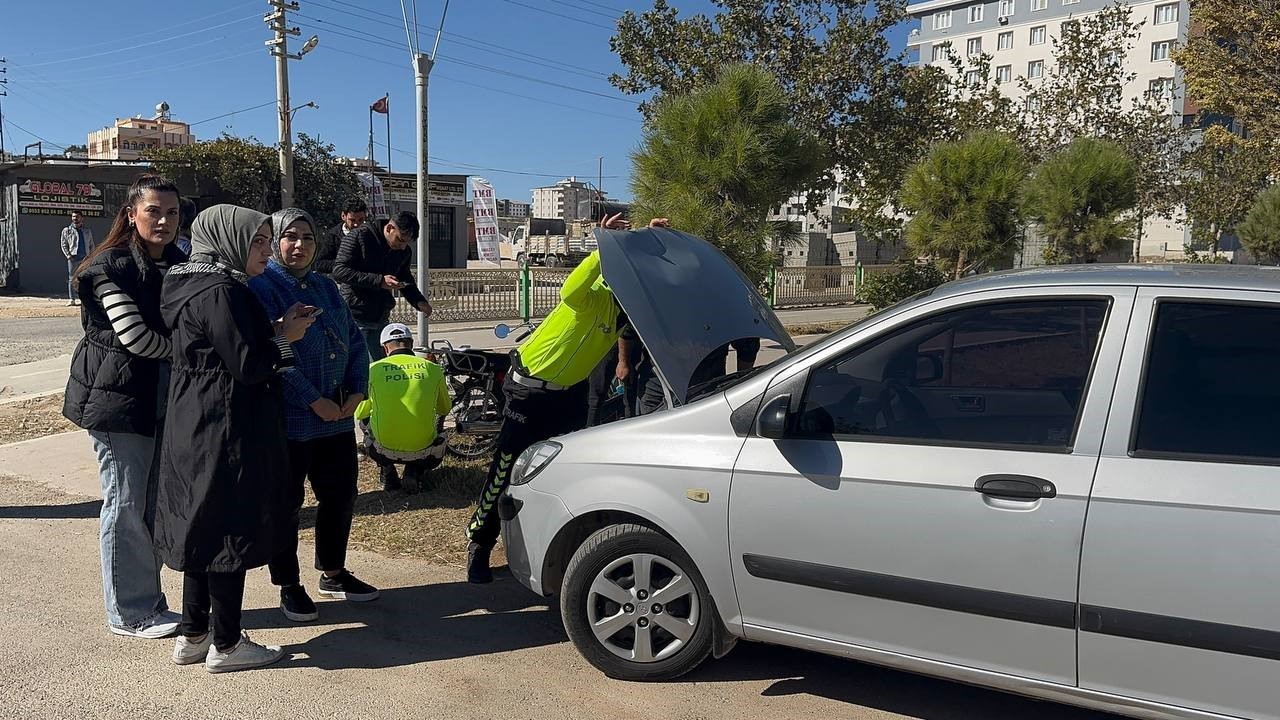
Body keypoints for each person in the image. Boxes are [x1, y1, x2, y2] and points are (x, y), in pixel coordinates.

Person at [154, 204, 316, 673]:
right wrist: (286, 336)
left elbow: (220, 346)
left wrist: (271, 331)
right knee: (227, 530)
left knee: (199, 525)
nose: (267, 251)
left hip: (193, 420)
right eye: (259, 241)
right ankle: (226, 644)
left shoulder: (189, 283)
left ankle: (194, 633)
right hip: (225, 425)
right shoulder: (224, 291)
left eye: (269, 241)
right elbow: (249, 365)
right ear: (229, 240)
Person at [465, 214, 665, 583]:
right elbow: (571, 288)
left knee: (565, 473)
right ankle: (479, 542)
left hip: (568, 397)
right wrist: (603, 245)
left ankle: (551, 545)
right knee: (505, 470)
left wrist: (651, 241)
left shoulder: (624, 315)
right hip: (528, 391)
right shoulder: (591, 299)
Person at [62, 174, 187, 640]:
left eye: (172, 212)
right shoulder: (105, 266)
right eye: (154, 210)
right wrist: (192, 351)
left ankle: (149, 603)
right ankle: (129, 612)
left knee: (152, 503)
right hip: (116, 399)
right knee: (126, 502)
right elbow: (134, 337)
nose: (164, 220)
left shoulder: (179, 261)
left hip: (160, 397)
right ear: (131, 213)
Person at [249, 207, 378, 623]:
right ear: (274, 242)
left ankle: (334, 572)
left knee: (339, 496)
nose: (299, 245)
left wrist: (359, 388)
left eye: (306, 237)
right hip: (292, 418)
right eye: (289, 236)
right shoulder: (261, 285)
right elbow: (276, 354)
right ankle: (288, 584)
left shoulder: (326, 285)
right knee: (286, 504)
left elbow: (356, 340)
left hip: (339, 414)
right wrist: (312, 400)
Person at [354, 322, 451, 493]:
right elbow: (444, 408)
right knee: (438, 430)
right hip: (424, 449)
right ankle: (414, 471)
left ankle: (388, 471)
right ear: (411, 344)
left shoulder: (372, 370)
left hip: (383, 448)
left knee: (365, 422)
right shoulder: (433, 369)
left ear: (385, 348)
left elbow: (360, 412)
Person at [332, 211, 433, 361]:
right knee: (361, 366)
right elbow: (339, 271)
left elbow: (405, 278)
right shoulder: (359, 236)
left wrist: (418, 301)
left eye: (407, 242)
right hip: (355, 315)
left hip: (381, 316)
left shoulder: (403, 251)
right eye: (400, 240)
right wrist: (379, 281)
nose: (402, 246)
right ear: (389, 228)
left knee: (383, 366)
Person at [317, 197, 367, 276]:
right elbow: (320, 264)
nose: (356, 224)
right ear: (343, 216)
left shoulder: (370, 233)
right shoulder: (334, 235)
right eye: (352, 220)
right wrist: (343, 264)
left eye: (360, 220)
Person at [60, 212, 95, 305]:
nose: (75, 218)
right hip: (73, 258)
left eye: (77, 217)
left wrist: (91, 256)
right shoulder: (67, 230)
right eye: (73, 216)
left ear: (82, 218)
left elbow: (91, 244)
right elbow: (63, 244)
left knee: (85, 278)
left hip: (85, 258)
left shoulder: (87, 231)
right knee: (72, 278)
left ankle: (84, 298)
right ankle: (72, 299)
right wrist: (68, 255)